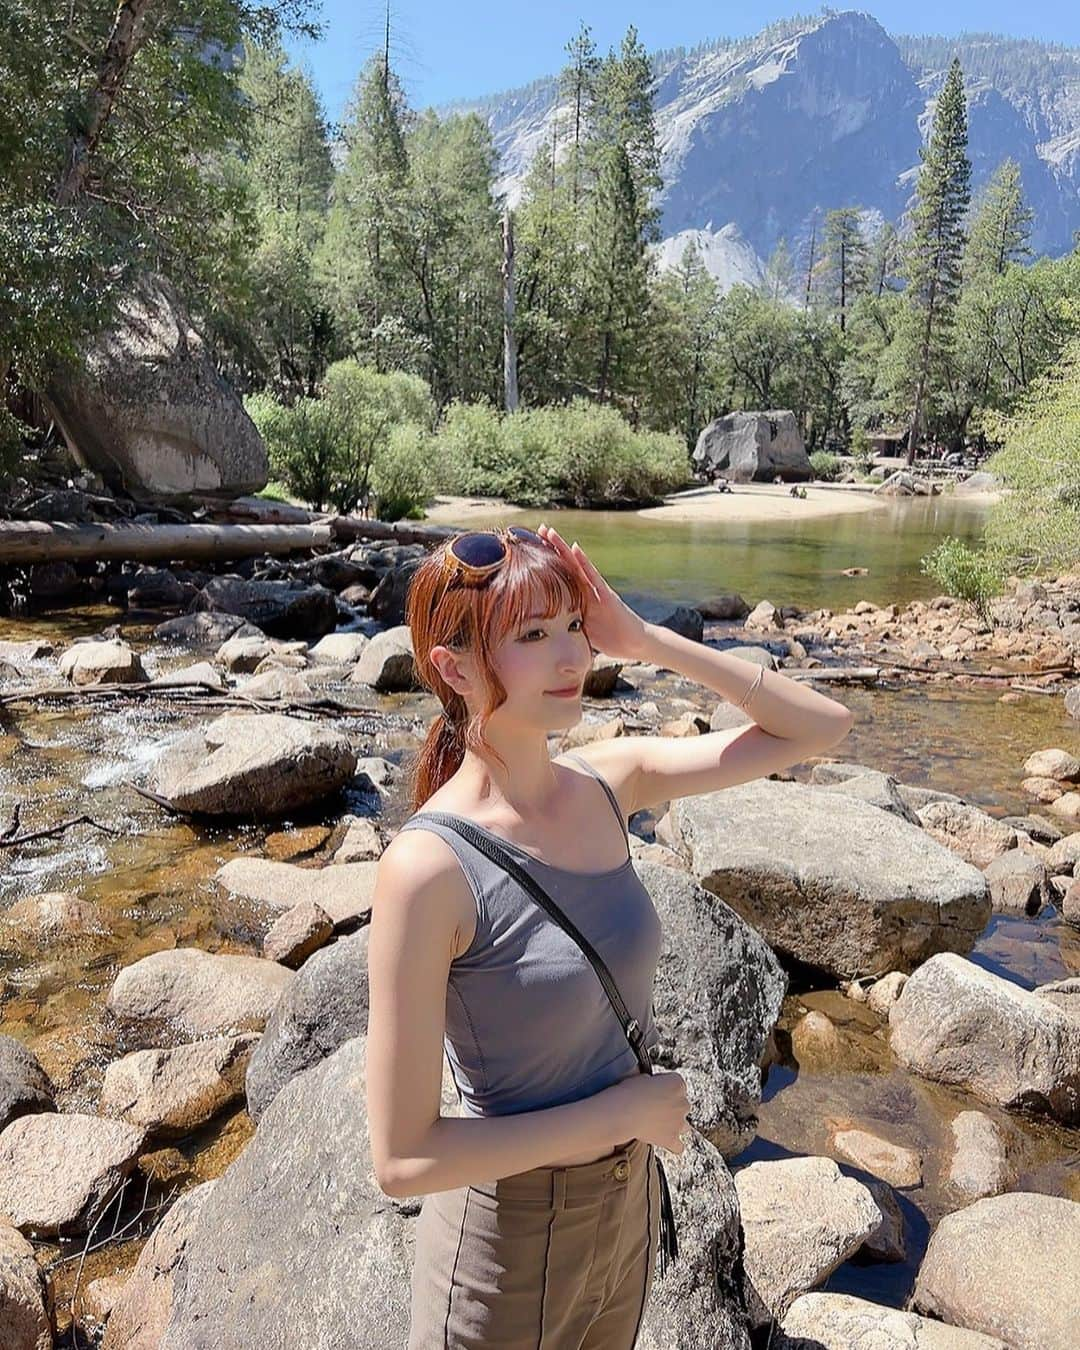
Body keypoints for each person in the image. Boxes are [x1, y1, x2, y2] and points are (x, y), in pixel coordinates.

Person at [365, 523, 855, 1348]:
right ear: (454, 669)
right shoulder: (429, 867)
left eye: (573, 628)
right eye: (531, 636)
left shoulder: (607, 783)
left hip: (626, 1210)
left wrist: (646, 637)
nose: (572, 660)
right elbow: (404, 1158)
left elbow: (820, 727)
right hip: (504, 1250)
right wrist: (615, 1114)